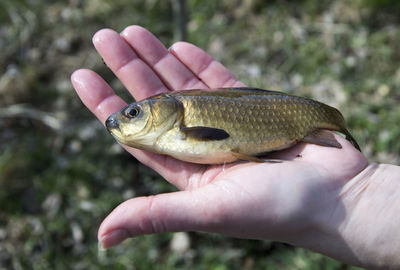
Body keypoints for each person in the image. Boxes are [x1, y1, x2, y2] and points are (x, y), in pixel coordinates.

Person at [71, 25, 400, 269]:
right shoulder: (173, 129)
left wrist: (361, 191)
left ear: (166, 110)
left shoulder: (183, 125)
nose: (123, 120)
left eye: (133, 113)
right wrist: (360, 195)